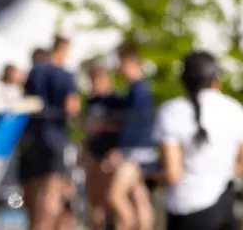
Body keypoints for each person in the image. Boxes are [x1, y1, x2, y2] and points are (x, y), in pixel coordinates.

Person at [154, 52, 243, 230]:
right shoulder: (235, 109)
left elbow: (172, 173)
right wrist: (219, 170)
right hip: (223, 205)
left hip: (185, 208)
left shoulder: (171, 111)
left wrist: (146, 175)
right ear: (216, 78)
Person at [19, 35, 81, 230]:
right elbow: (72, 106)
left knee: (34, 188)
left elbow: (26, 100)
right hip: (55, 135)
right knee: (52, 189)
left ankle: (36, 225)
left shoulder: (35, 71)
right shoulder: (64, 75)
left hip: (32, 135)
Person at [103, 43, 157, 230]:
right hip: (140, 151)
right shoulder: (139, 89)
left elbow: (135, 125)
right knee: (138, 196)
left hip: (134, 152)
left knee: (115, 196)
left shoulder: (139, 91)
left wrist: (120, 150)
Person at [82, 62, 121, 230]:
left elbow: (120, 127)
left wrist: (101, 126)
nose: (94, 85)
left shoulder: (114, 101)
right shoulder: (91, 101)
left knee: (110, 199)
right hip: (94, 153)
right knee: (94, 199)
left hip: (109, 153)